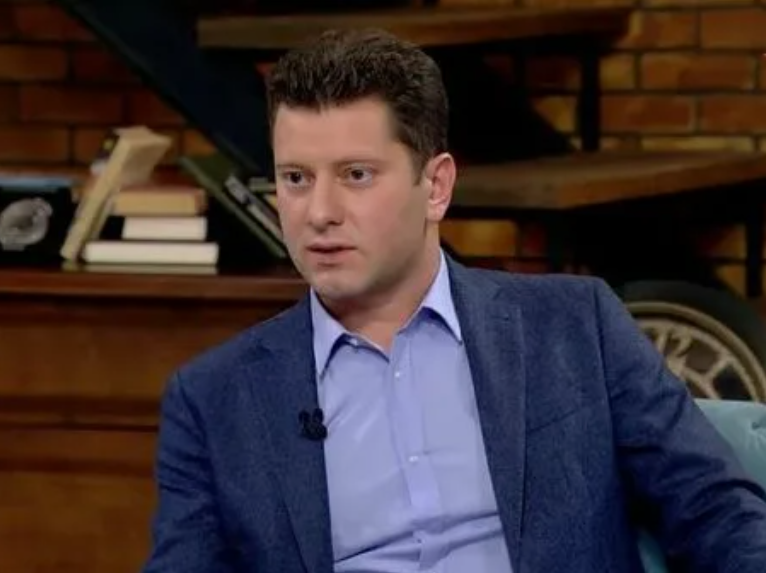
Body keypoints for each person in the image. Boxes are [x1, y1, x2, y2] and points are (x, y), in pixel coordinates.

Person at [141, 28, 766, 573]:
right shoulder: (215, 400)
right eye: (296, 178)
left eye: (356, 175)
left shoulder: (576, 326)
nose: (319, 212)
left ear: (436, 186)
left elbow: (715, 510)